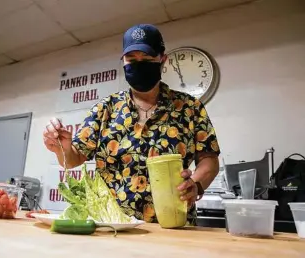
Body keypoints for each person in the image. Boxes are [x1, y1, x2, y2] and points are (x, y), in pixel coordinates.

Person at [44, 24, 220, 225]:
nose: (139, 64)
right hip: (112, 226)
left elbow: (209, 160)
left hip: (173, 226)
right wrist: (62, 148)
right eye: (131, 59)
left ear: (163, 60)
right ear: (123, 61)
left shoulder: (190, 108)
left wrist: (196, 185)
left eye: (146, 59)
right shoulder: (105, 110)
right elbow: (74, 158)